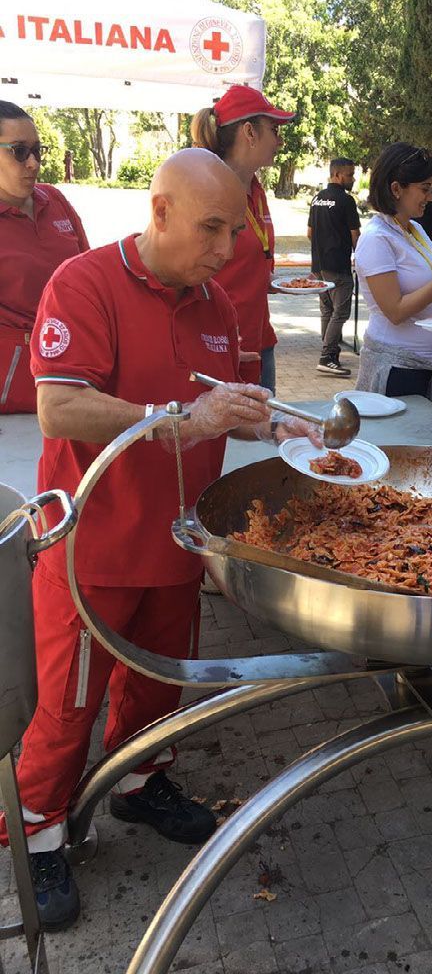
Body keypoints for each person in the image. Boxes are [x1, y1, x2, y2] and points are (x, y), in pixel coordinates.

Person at [0, 149, 319, 932]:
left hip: (177, 544)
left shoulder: (214, 304)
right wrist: (174, 420)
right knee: (69, 705)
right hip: (92, 544)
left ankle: (143, 779)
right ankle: (34, 833)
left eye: (234, 233)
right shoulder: (84, 283)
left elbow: (218, 406)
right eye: (209, 228)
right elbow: (61, 409)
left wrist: (277, 423)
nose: (223, 249)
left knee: (157, 684)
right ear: (160, 210)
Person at [191, 85, 295, 392]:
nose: (280, 140)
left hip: (260, 341)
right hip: (219, 346)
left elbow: (246, 261)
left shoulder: (256, 189)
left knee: (264, 435)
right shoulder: (206, 190)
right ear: (249, 132)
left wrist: (271, 279)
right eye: (274, 129)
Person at [354, 143, 432, 399]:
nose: (430, 198)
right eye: (425, 189)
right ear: (396, 189)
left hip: (424, 366)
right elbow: (395, 311)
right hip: (395, 367)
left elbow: (431, 293)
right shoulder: (377, 238)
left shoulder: (414, 229)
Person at [0, 101, 88, 413]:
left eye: (38, 150)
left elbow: (91, 276)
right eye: (19, 151)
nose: (34, 163)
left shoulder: (54, 199)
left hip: (73, 376)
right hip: (14, 394)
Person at [307, 157, 361, 375]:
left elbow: (310, 233)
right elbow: (356, 236)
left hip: (319, 265)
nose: (353, 179)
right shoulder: (346, 201)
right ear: (337, 175)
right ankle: (327, 356)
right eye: (349, 175)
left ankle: (329, 353)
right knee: (340, 312)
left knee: (327, 311)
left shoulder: (317, 198)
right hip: (338, 266)